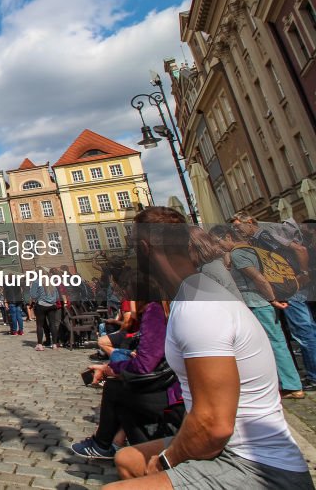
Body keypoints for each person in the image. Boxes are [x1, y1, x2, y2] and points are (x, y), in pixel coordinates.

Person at [108, 207, 313, 489]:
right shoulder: (192, 292)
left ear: (145, 248)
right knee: (129, 459)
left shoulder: (199, 307)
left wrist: (166, 461)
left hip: (258, 465)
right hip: (233, 445)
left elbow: (214, 425)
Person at [73, 290, 179, 459]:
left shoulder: (155, 309)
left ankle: (104, 444)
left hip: (171, 391)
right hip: (172, 383)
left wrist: (110, 370)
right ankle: (116, 444)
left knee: (117, 389)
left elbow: (144, 365)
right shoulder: (168, 305)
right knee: (120, 387)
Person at [211, 224, 305, 399]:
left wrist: (272, 299)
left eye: (219, 242)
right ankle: (289, 383)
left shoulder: (239, 254)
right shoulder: (249, 248)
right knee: (276, 341)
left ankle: (291, 385)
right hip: (262, 302)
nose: (218, 246)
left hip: (257, 302)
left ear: (228, 237)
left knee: (274, 343)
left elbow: (259, 279)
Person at [231, 213, 316, 391]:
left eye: (239, 227)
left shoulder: (264, 235)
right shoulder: (259, 237)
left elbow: (300, 250)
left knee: (303, 330)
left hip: (291, 287)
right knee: (305, 328)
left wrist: (303, 273)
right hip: (289, 286)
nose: (237, 230)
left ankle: (314, 376)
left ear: (250, 222)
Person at [29, 268, 60, 351]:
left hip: (41, 305)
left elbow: (33, 295)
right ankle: (54, 344)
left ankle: (40, 344)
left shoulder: (36, 281)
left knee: (40, 325)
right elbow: (57, 296)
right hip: (52, 305)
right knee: (52, 324)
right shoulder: (50, 281)